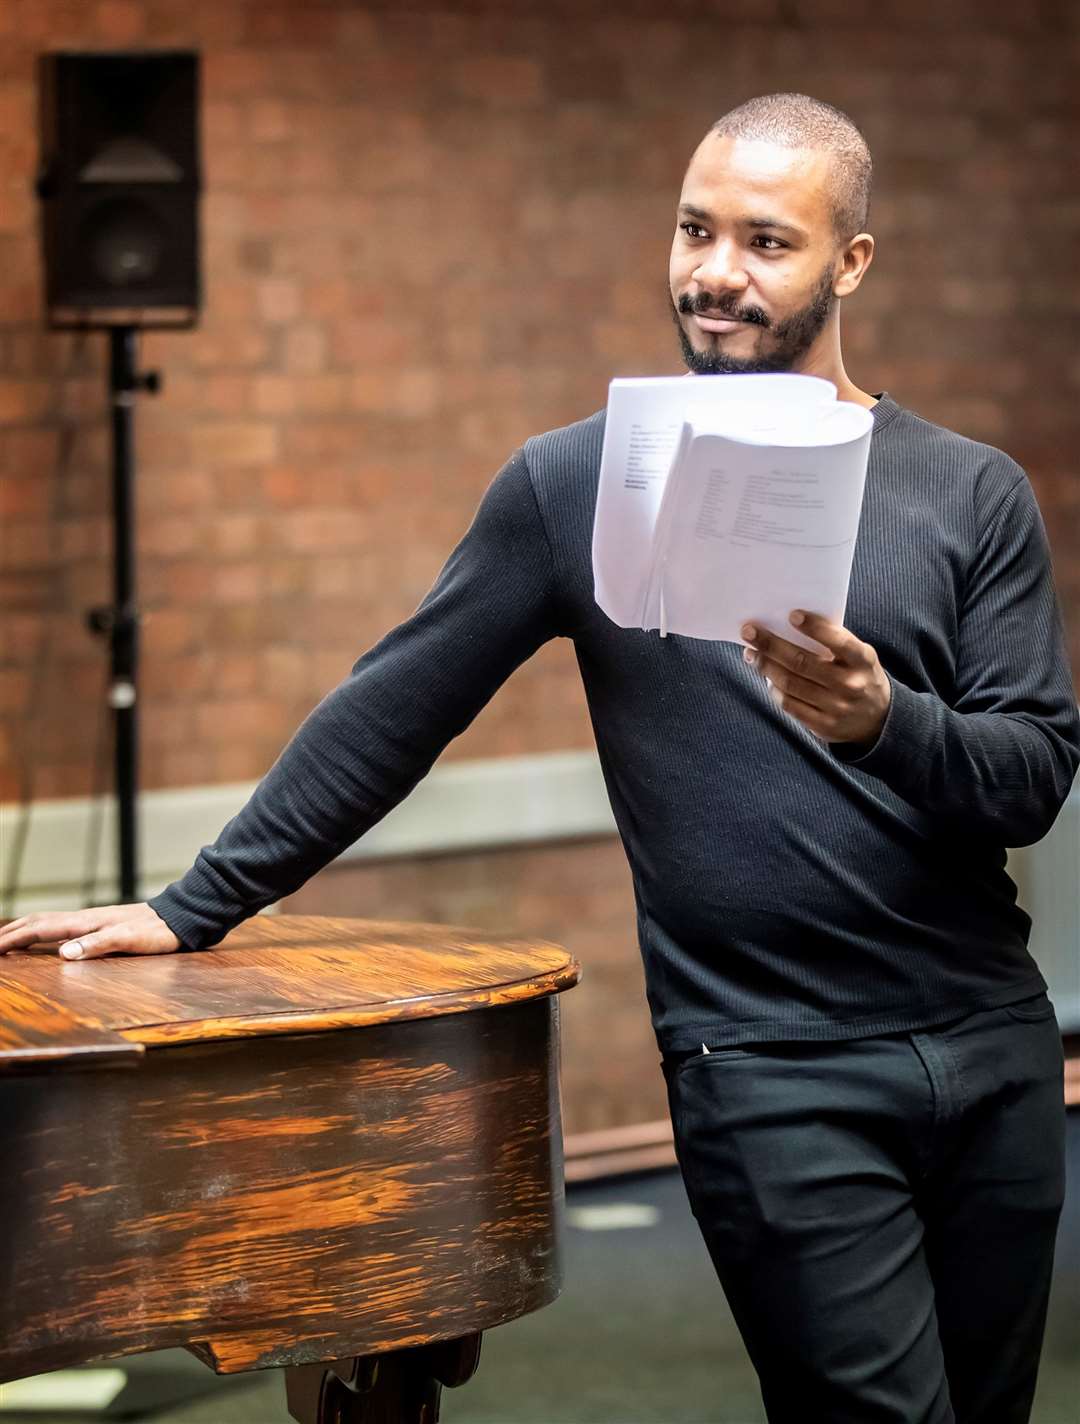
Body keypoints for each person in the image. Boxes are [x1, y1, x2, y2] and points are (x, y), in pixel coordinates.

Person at [3, 93, 1077, 1424]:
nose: (713, 271)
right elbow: (392, 710)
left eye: (765, 241)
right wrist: (188, 907)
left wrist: (884, 721)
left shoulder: (971, 492)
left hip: (992, 1053)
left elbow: (1034, 769)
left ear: (850, 262)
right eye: (694, 230)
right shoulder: (573, 487)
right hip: (770, 1068)